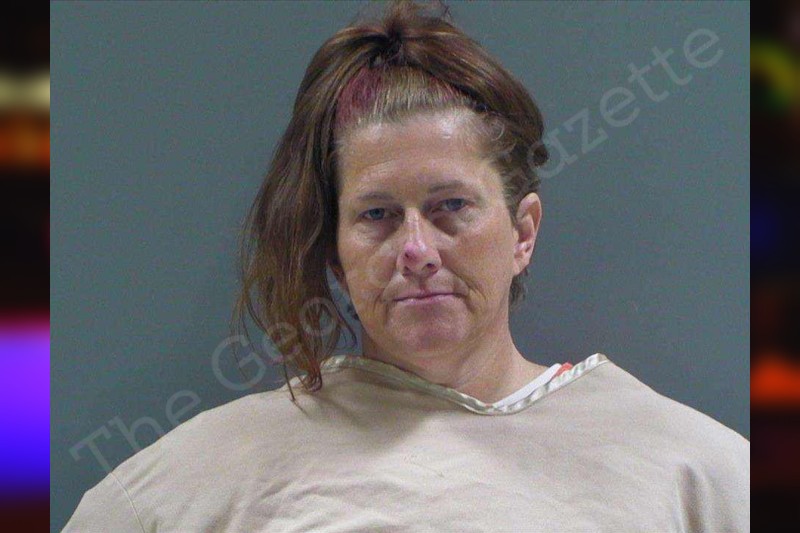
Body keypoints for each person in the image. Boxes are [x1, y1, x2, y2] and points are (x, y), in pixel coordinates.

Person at [63, 1, 749, 531]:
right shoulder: (217, 473)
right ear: (337, 252)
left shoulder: (689, 471)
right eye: (377, 215)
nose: (416, 250)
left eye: (451, 206)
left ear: (522, 233)